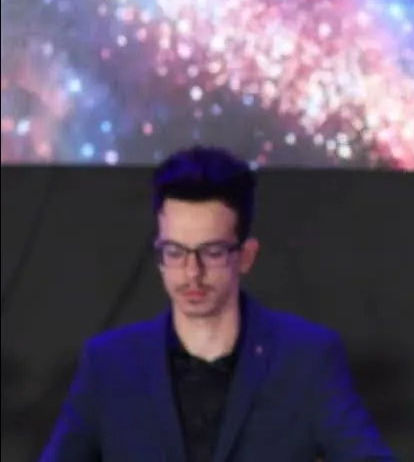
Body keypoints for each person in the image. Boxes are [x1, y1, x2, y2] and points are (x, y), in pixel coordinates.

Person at [40, 146, 395, 462]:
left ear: (246, 256)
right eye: (175, 252)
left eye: (211, 252)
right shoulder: (109, 365)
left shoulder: (306, 358)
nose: (191, 272)